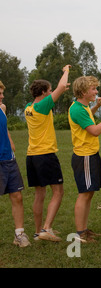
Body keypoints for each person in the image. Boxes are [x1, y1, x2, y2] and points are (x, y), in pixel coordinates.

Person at [69, 76, 101, 243]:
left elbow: (87, 118)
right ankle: (80, 233)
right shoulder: (77, 110)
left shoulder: (82, 107)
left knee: (89, 193)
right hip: (85, 157)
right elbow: (95, 130)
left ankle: (84, 229)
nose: (96, 92)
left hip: (90, 155)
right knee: (84, 194)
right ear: (83, 92)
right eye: (93, 89)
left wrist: (96, 106)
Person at [25, 65, 70, 242]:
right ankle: (46, 228)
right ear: (43, 92)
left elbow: (58, 89)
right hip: (46, 155)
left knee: (39, 194)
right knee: (58, 192)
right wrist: (65, 70)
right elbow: (60, 88)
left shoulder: (28, 107)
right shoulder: (42, 106)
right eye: (49, 91)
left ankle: (38, 232)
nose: (52, 93)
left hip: (32, 156)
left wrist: (59, 87)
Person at [0, 81, 30, 247]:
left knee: (17, 196)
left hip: (9, 160)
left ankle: (19, 234)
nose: (2, 96)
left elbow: (4, 129)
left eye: (2, 93)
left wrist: (10, 141)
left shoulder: (2, 109)